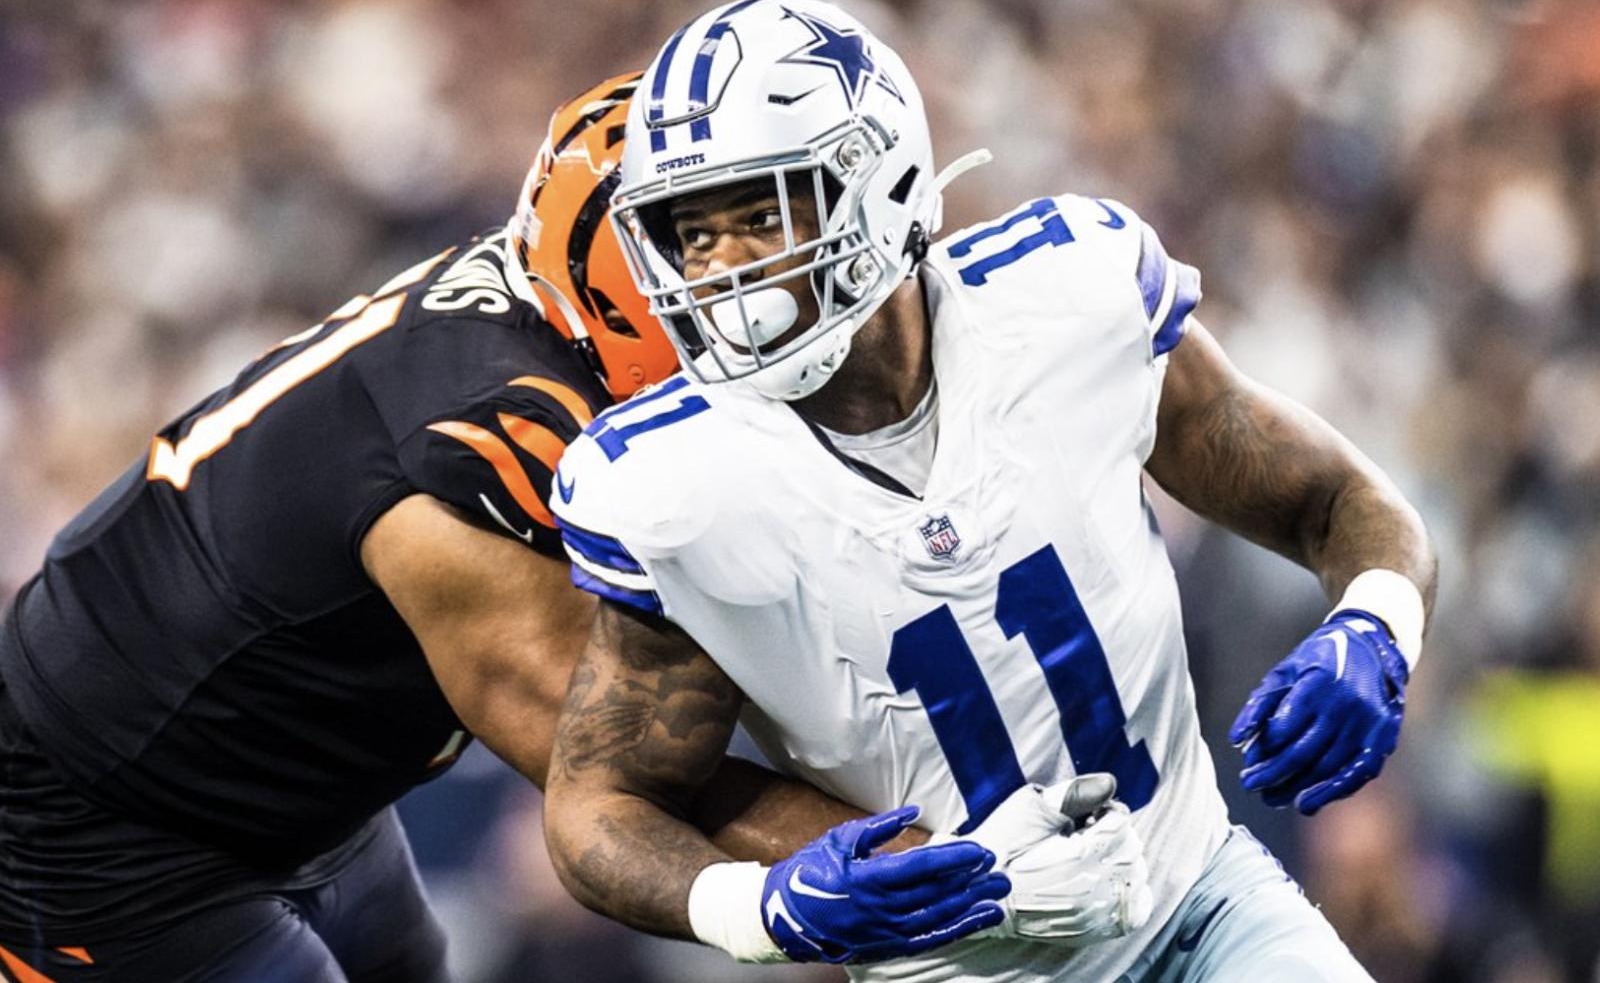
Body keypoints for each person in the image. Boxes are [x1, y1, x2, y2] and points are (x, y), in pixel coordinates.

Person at [0, 74, 1029, 983]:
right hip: (111, 828)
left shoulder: (554, 329)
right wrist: (974, 871)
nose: (758, 280)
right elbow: (624, 784)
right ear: (631, 276)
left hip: (310, 794)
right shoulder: (486, 451)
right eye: (708, 242)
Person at [544, 0, 1439, 983]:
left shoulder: (1066, 303)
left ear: (876, 183)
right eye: (692, 233)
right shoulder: (682, 485)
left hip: (1203, 905)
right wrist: (758, 906)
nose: (722, 267)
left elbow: (1334, 500)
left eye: (760, 214)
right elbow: (598, 802)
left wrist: (1373, 626)